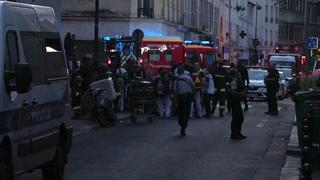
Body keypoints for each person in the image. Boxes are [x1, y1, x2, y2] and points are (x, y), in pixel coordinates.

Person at [173, 65, 194, 136]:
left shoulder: (176, 80)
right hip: (187, 97)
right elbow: (193, 87)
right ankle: (183, 127)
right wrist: (192, 96)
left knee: (180, 113)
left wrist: (175, 102)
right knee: (186, 113)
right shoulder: (188, 78)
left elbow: (175, 92)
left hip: (180, 97)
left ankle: (182, 124)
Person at [229, 68, 247, 139]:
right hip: (234, 101)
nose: (239, 73)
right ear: (235, 74)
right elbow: (233, 92)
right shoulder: (234, 82)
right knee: (237, 118)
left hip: (237, 101)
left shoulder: (238, 81)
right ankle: (234, 134)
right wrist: (241, 94)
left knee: (240, 118)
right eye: (237, 72)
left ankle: (238, 132)